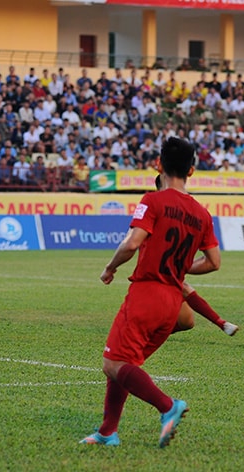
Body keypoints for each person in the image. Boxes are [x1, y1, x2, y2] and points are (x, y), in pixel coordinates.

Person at [80, 137, 220, 448]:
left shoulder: (153, 201)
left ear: (159, 165)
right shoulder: (202, 214)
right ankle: (107, 432)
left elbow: (131, 243)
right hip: (172, 303)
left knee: (112, 364)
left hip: (146, 294)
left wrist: (110, 267)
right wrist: (181, 268)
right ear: (192, 170)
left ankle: (168, 406)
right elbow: (214, 263)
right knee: (123, 364)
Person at [153, 173, 238, 336]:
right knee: (183, 288)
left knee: (186, 322)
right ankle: (222, 324)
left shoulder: (191, 213)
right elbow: (133, 241)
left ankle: (150, 333)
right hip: (149, 278)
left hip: (170, 272)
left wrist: (181, 268)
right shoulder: (155, 209)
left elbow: (214, 262)